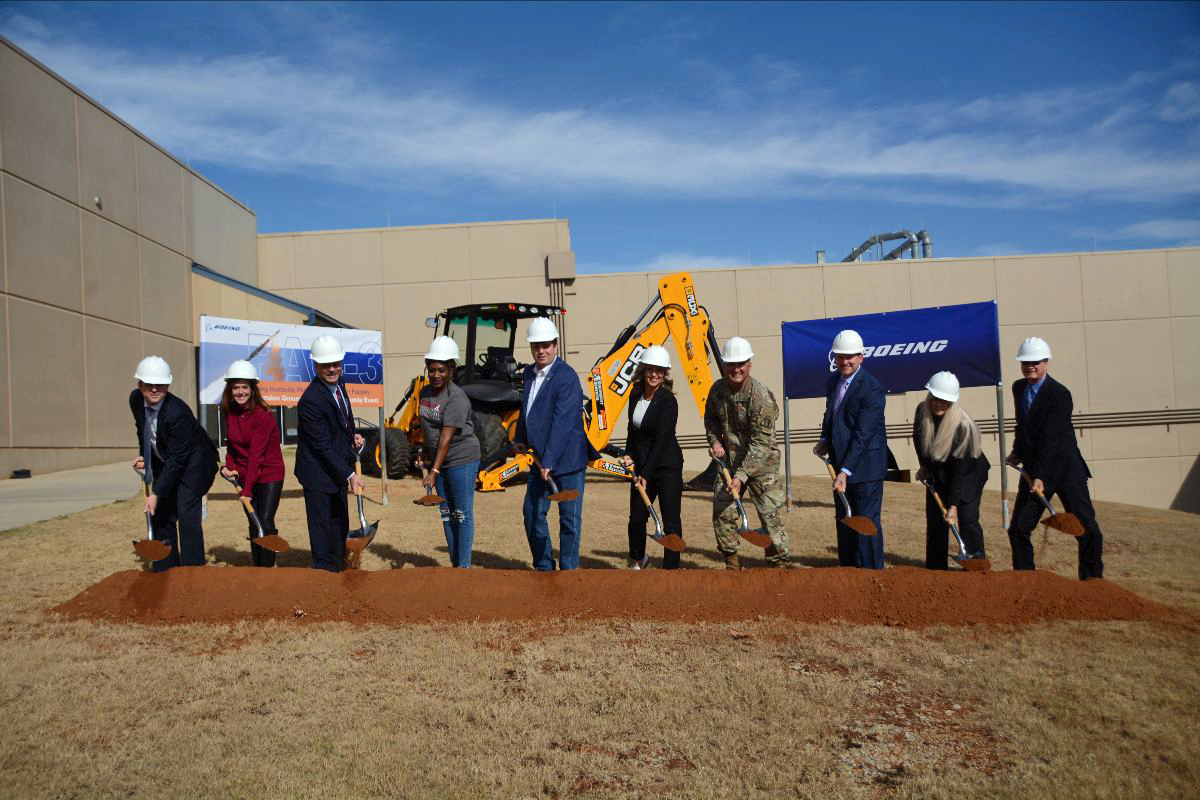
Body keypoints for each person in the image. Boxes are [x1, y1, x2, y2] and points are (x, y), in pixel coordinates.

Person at [1006, 337, 1104, 580]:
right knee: (1019, 528)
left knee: (1087, 529)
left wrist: (1039, 476)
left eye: (1036, 362)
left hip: (1066, 470)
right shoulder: (1019, 388)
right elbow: (1023, 425)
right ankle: (1025, 578)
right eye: (1025, 362)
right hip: (1035, 468)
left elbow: (1052, 438)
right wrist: (1017, 451)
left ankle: (1093, 581)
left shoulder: (1059, 395)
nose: (1030, 366)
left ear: (1046, 363)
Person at [705, 336, 790, 569]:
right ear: (724, 365)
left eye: (741, 363)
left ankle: (778, 564)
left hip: (762, 464)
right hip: (729, 461)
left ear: (749, 365)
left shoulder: (761, 397)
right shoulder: (717, 390)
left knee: (769, 514)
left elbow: (760, 443)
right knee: (723, 511)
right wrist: (715, 442)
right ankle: (732, 563)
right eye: (731, 364)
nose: (736, 369)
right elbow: (710, 419)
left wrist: (741, 476)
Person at [514, 317, 590, 571]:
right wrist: (520, 437)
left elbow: (563, 422)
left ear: (556, 345)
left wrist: (549, 460)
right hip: (540, 459)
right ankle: (544, 567)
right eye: (536, 346)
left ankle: (569, 572)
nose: (541, 350)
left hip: (567, 461)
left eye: (546, 345)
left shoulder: (566, 377)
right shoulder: (528, 373)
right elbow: (528, 407)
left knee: (569, 519)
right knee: (533, 513)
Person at [129, 355, 218, 572]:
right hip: (168, 460)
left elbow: (179, 459)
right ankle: (166, 568)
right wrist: (145, 455)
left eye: (159, 384)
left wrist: (156, 493)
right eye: (148, 384)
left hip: (195, 464)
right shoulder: (135, 399)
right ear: (139, 385)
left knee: (186, 515)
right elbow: (143, 430)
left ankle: (192, 571)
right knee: (162, 514)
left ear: (168, 384)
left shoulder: (178, 413)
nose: (154, 389)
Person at [813, 330, 887, 570]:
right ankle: (848, 570)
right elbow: (831, 414)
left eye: (850, 357)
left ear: (861, 357)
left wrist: (845, 470)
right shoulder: (833, 381)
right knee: (845, 518)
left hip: (865, 466)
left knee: (865, 520)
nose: (845, 361)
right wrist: (825, 438)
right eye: (840, 356)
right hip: (840, 461)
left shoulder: (872, 389)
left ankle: (870, 572)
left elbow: (863, 434)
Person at [294, 335, 364, 572]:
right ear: (316, 366)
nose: (332, 369)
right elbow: (321, 446)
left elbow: (345, 417)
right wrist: (350, 475)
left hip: (336, 467)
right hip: (318, 472)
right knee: (323, 526)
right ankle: (325, 573)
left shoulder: (339, 384)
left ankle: (340, 567)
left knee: (339, 522)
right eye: (326, 365)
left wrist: (352, 435)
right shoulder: (310, 401)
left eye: (336, 364)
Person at [913, 371, 990, 569]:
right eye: (936, 399)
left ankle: (975, 562)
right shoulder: (922, 412)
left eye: (945, 401)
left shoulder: (962, 427)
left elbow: (959, 471)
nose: (939, 404)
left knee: (966, 518)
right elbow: (919, 440)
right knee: (936, 519)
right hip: (939, 472)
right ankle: (936, 568)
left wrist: (953, 505)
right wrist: (925, 466)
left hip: (967, 475)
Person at [417, 336, 481, 568]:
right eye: (431, 369)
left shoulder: (456, 398)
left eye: (441, 370)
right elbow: (428, 428)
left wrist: (433, 470)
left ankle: (463, 568)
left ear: (451, 369)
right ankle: (455, 565)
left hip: (461, 458)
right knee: (446, 513)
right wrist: (425, 451)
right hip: (439, 460)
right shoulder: (424, 394)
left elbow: (446, 437)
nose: (435, 375)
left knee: (461, 513)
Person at [618, 345, 683, 570]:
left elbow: (662, 439)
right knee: (636, 517)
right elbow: (632, 430)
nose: (654, 374)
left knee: (671, 521)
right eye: (650, 369)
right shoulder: (635, 395)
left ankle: (671, 570)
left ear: (665, 373)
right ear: (643, 370)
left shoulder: (668, 402)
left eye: (660, 370)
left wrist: (646, 473)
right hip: (643, 465)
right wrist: (628, 454)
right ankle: (639, 560)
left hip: (666, 467)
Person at [219, 360, 285, 567]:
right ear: (230, 389)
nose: (240, 392)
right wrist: (228, 466)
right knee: (251, 519)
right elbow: (231, 446)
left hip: (269, 473)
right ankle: (258, 566)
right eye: (236, 387)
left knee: (264, 519)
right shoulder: (229, 412)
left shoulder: (263, 417)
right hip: (245, 472)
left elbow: (256, 455)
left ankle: (267, 567)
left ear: (253, 389)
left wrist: (247, 491)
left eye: (244, 387)